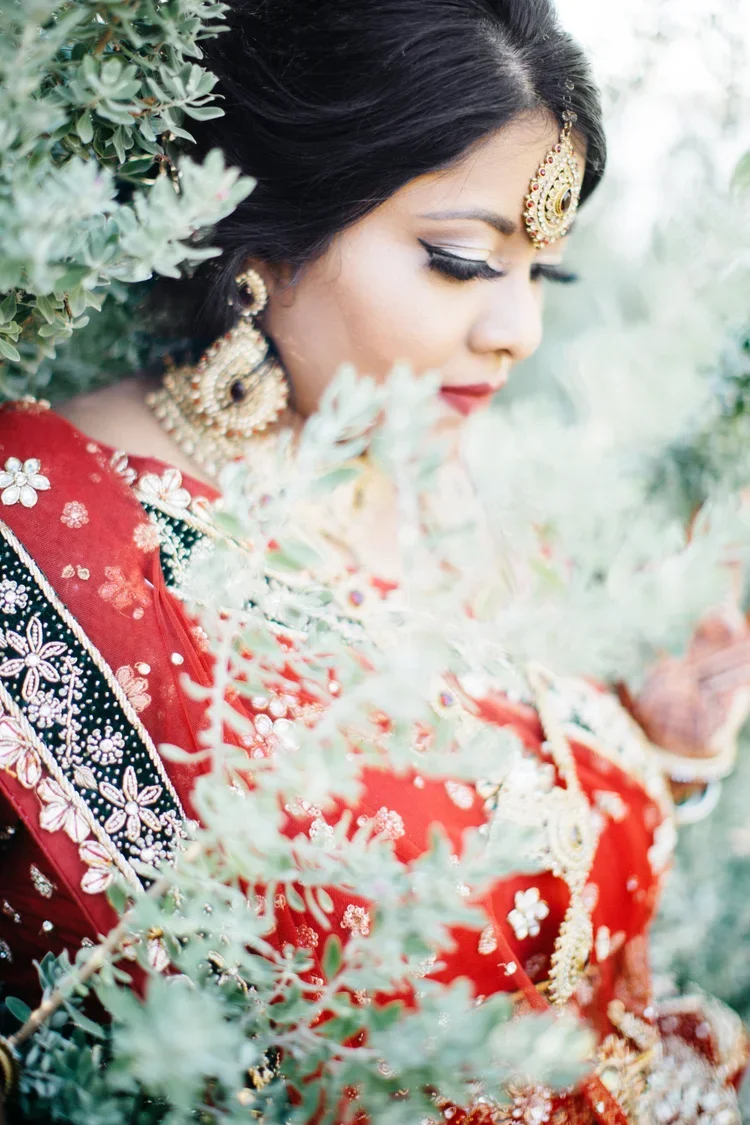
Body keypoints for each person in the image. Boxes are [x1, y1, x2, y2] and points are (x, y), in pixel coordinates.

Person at [0, 0, 748, 1120]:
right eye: (462, 262)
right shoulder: (45, 538)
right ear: (264, 233)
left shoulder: (467, 481)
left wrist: (656, 744)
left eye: (544, 273)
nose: (519, 333)